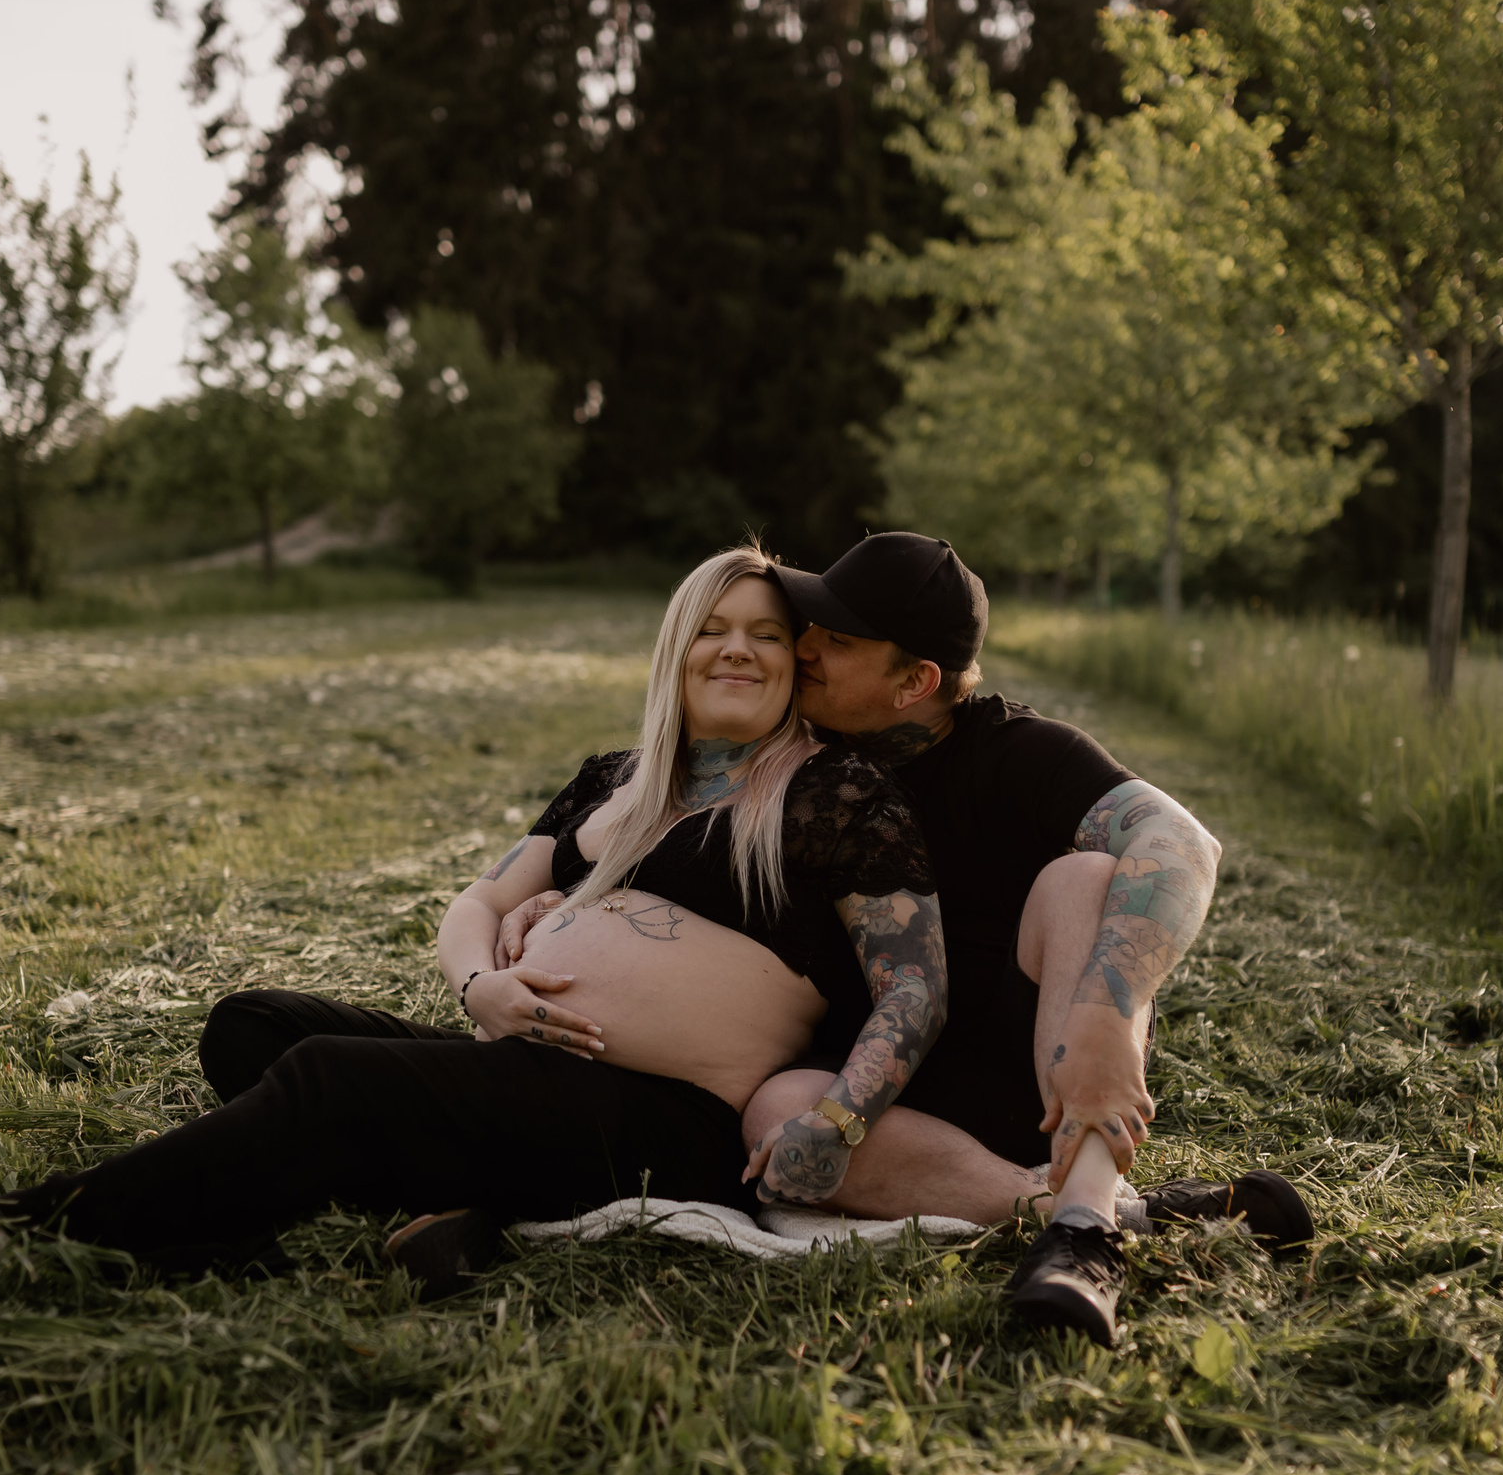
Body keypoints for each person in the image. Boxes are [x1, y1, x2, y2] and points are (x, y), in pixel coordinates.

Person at [0, 545, 946, 1282]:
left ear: (795, 666)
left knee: (336, 1079)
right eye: (713, 626)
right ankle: (292, 1207)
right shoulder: (611, 781)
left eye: (765, 634)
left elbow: (915, 984)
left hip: (666, 1123)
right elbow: (483, 898)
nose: (736, 647)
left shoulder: (829, 794)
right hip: (535, 1061)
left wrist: (835, 1126)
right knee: (252, 1023)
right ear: (675, 649)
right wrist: (477, 983)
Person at [504, 532, 1311, 1346]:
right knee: (782, 1105)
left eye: (838, 641)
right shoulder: (798, 756)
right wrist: (567, 901)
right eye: (810, 626)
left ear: (916, 681)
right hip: (861, 1082)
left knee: (1084, 880)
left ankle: (1086, 1235)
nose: (805, 649)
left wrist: (1108, 1009)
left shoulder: (1021, 752)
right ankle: (1109, 1212)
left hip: (1024, 1073)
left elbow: (1182, 844)